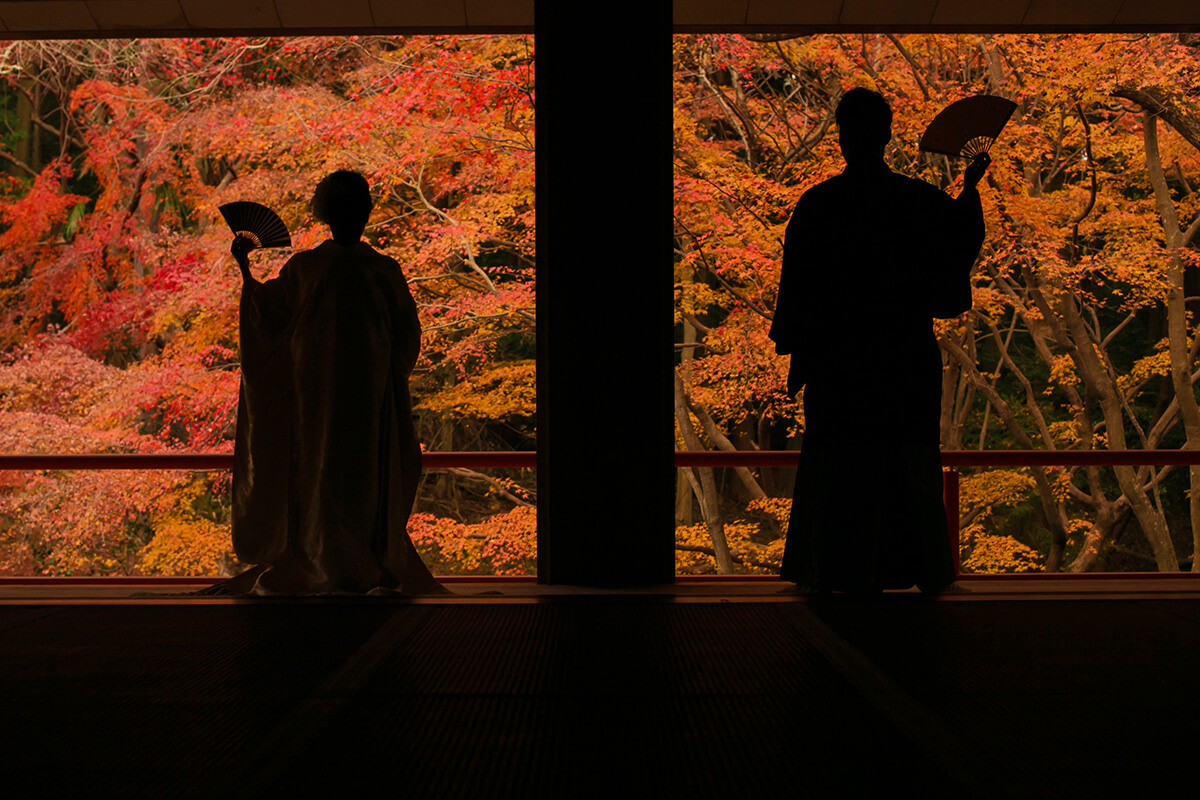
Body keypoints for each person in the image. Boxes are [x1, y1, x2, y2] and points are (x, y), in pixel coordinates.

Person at [769, 88, 988, 594]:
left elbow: (799, 285)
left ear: (843, 137)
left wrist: (800, 347)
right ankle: (909, 565)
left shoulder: (820, 204)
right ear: (887, 135)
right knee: (906, 458)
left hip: (838, 359)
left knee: (839, 462)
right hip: (903, 355)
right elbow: (954, 245)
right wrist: (970, 191)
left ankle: (834, 566)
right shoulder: (915, 201)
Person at [224, 171, 444, 595]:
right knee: (360, 479)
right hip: (365, 395)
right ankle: (360, 564)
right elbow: (406, 341)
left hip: (314, 397)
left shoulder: (306, 269)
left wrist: (247, 275)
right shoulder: (381, 270)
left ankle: (319, 559)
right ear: (362, 213)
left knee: (318, 473)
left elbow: (267, 321)